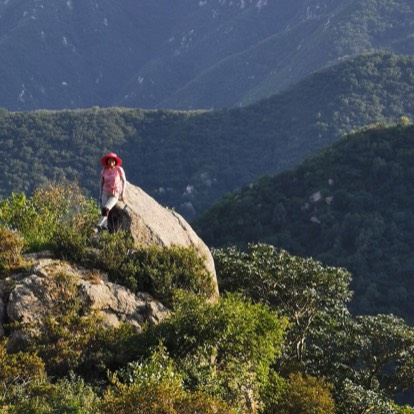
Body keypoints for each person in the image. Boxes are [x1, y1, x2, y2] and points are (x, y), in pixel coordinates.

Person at [96, 152, 126, 230]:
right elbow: (101, 183)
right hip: (105, 192)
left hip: (115, 193)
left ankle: (99, 224)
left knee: (106, 208)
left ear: (115, 162)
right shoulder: (104, 171)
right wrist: (100, 194)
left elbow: (124, 181)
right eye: (109, 160)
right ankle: (104, 226)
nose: (111, 162)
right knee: (103, 209)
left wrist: (122, 193)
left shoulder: (119, 169)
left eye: (112, 161)